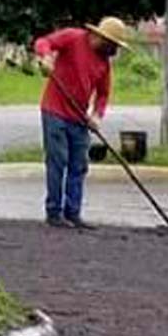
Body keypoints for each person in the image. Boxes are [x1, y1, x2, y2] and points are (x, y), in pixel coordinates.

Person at [34, 17, 130, 229]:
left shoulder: (104, 63)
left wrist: (96, 116)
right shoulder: (72, 37)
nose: (115, 50)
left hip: (78, 118)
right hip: (55, 111)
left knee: (79, 165)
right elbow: (43, 42)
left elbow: (103, 94)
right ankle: (54, 212)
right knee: (58, 160)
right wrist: (46, 57)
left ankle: (73, 212)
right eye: (113, 45)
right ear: (101, 38)